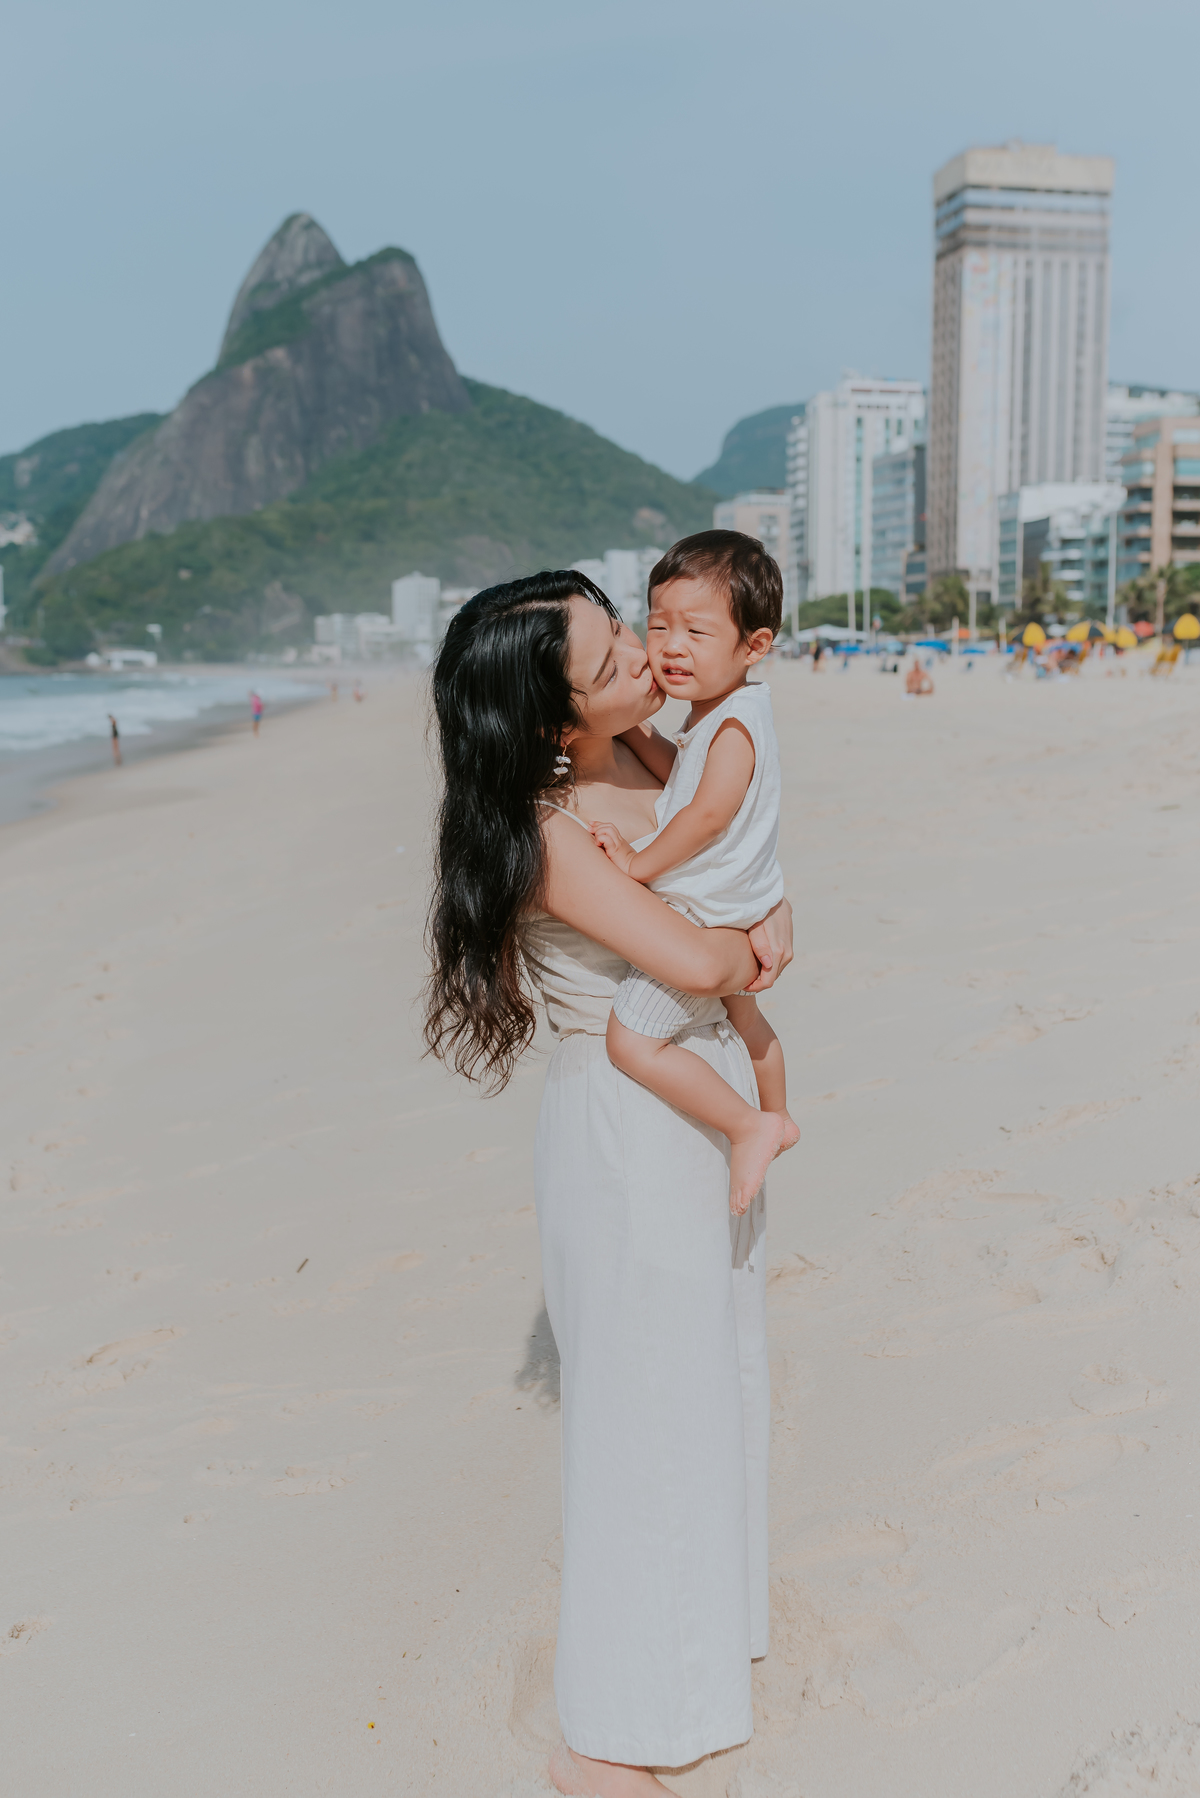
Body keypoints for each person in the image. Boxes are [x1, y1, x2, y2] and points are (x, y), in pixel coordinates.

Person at [425, 571, 793, 1796]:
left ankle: (700, 1657)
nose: (643, 656)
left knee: (710, 1386)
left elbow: (734, 847)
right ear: (549, 722)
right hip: (624, 1129)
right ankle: (601, 1739)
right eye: (610, 657)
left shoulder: (649, 743)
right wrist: (760, 943)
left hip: (686, 1105)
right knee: (638, 1422)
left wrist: (761, 918)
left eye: (628, 630)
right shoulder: (542, 833)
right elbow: (695, 949)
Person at [588, 533, 797, 1216]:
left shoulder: (732, 726)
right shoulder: (723, 711)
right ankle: (780, 1115)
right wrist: (630, 731)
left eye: (696, 632)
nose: (671, 646)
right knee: (749, 1017)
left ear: (754, 645)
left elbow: (705, 814)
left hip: (705, 910)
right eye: (659, 625)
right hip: (735, 903)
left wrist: (637, 863)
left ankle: (750, 1123)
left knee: (632, 1040)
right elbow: (681, 775)